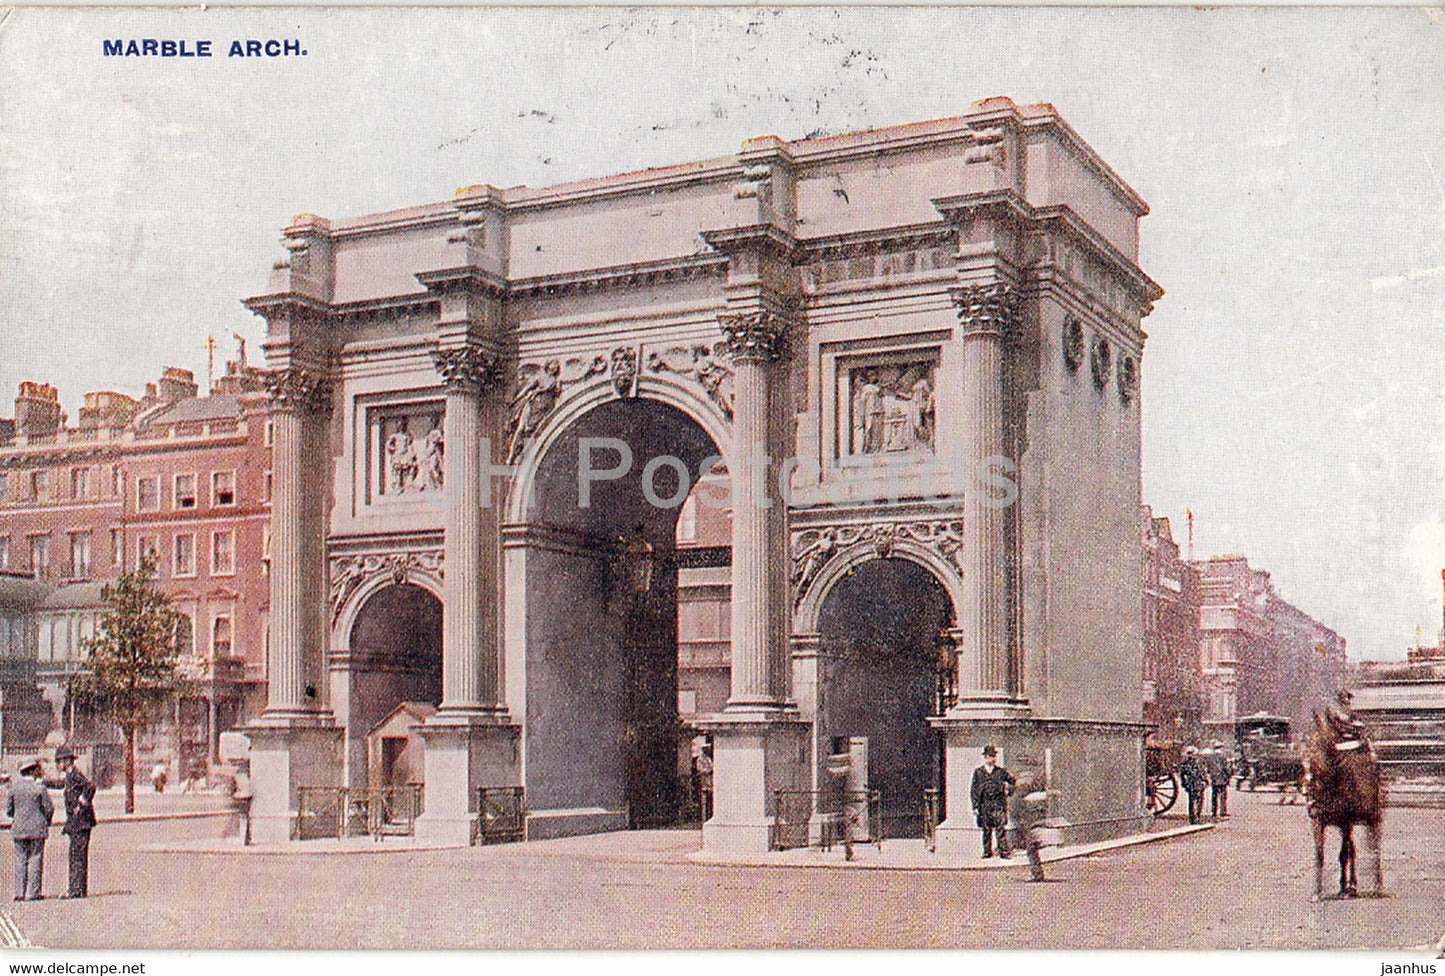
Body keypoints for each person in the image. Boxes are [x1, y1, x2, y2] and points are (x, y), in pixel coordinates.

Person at [6, 758, 53, 900]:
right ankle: (34, 893)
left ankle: (19, 893)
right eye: (37, 769)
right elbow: (49, 808)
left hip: (19, 828)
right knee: (35, 858)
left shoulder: (14, 788)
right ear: (32, 771)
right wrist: (46, 821)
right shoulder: (40, 788)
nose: (39, 772)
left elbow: (9, 810)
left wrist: (19, 816)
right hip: (37, 828)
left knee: (20, 859)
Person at [55, 746, 96, 898]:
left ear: (66, 761)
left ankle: (76, 890)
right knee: (77, 856)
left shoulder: (75, 775)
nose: (57, 765)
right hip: (77, 822)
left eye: (59, 761)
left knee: (77, 856)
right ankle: (78, 889)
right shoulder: (69, 776)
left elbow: (90, 786)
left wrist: (82, 802)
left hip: (81, 822)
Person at [970, 745, 1015, 858]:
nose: (993, 758)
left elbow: (1013, 781)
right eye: (990, 756)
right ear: (985, 757)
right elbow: (974, 790)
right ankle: (987, 852)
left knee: (1000, 828)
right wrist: (975, 806)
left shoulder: (1000, 771)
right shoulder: (978, 772)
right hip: (984, 804)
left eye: (994, 756)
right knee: (986, 830)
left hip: (998, 804)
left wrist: (1008, 791)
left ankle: (1004, 852)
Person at [1009, 771, 1050, 882]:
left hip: (1019, 823)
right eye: (1028, 778)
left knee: (1030, 847)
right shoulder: (1022, 790)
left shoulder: (1018, 791)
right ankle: (1037, 874)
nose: (1030, 780)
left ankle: (1037, 874)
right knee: (1030, 847)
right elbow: (1027, 801)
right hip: (1020, 823)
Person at [1179, 745, 1208, 825]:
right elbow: (1202, 772)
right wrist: (1205, 781)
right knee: (1198, 800)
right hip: (1197, 783)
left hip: (1191, 783)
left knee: (1192, 801)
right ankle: (1197, 817)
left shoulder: (1185, 764)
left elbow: (1182, 775)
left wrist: (1184, 784)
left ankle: (1192, 818)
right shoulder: (1198, 762)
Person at [1203, 740, 1231, 819]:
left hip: (1214, 777)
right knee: (1223, 795)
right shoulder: (1223, 755)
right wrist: (1228, 775)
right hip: (1222, 777)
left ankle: (1214, 812)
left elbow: (1208, 767)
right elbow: (1226, 767)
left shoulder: (1211, 756)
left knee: (1214, 795)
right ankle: (1223, 811)